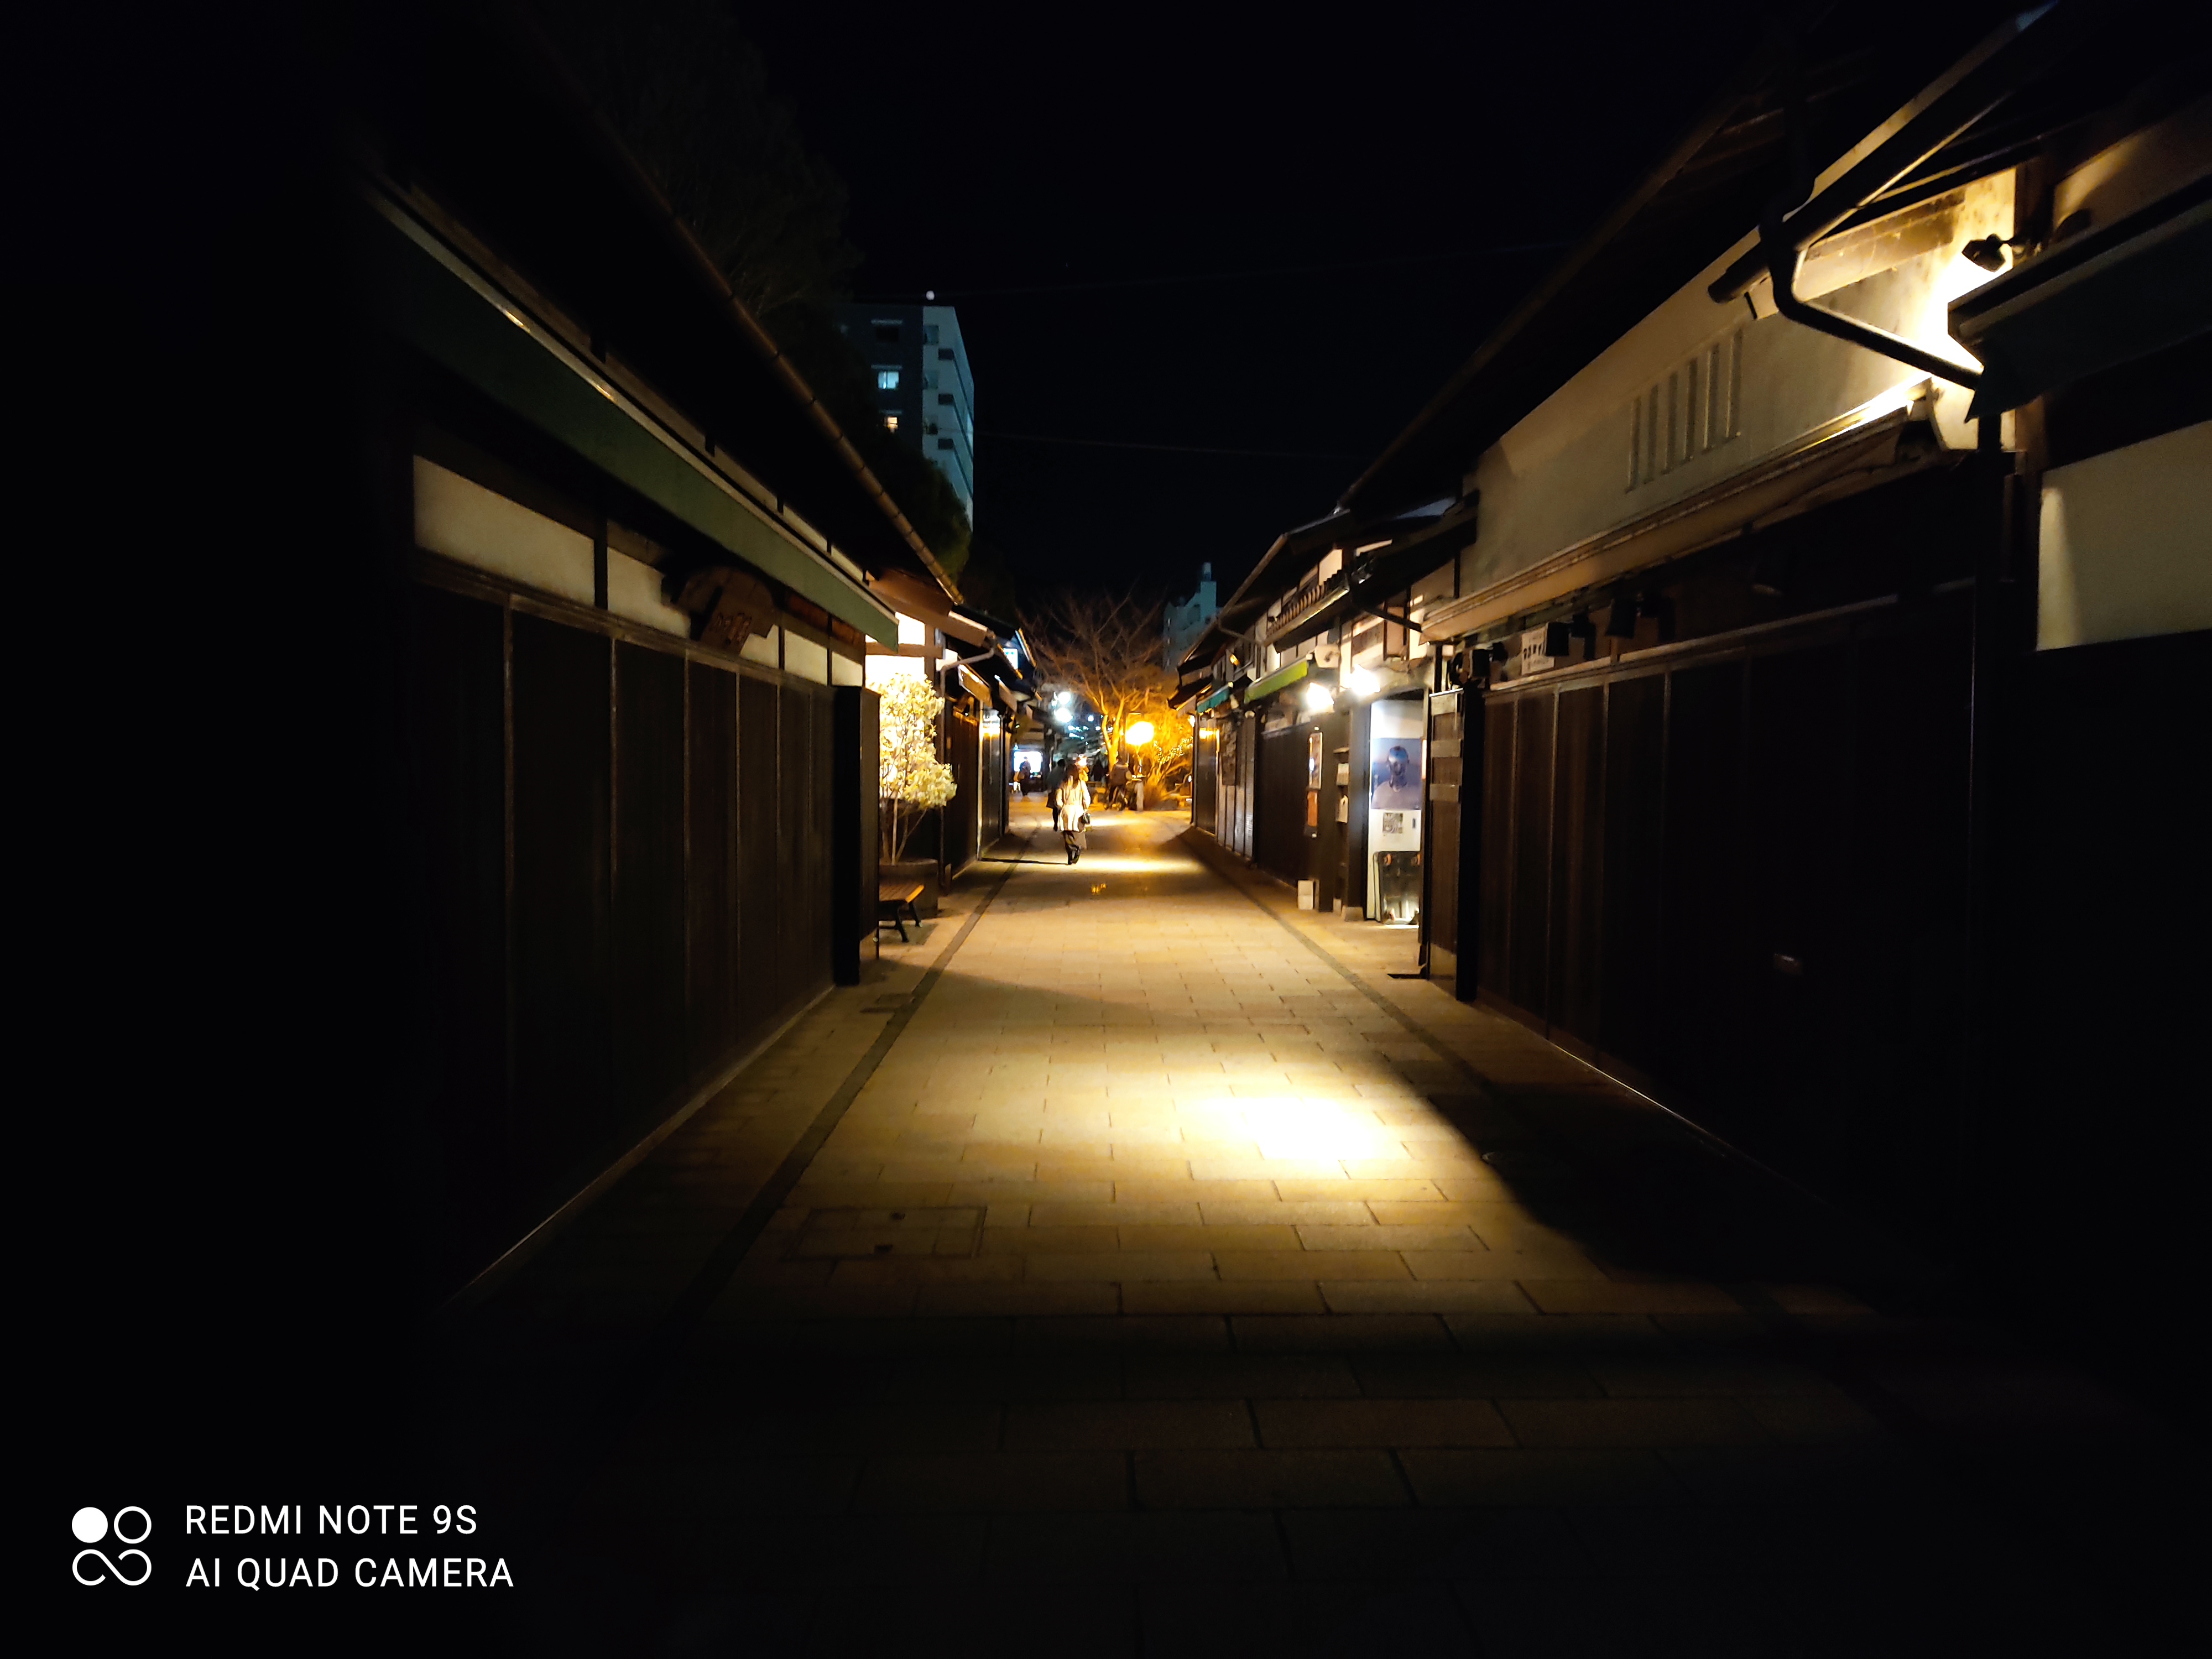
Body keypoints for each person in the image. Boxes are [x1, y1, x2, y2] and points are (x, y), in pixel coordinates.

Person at [1055, 763, 1092, 864]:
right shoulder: (1081, 784)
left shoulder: (1063, 784)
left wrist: (1063, 807)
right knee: (1078, 834)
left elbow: (1058, 800)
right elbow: (1087, 799)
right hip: (1078, 811)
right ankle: (1077, 849)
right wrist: (1084, 808)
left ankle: (1070, 855)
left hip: (1066, 811)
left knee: (1067, 835)